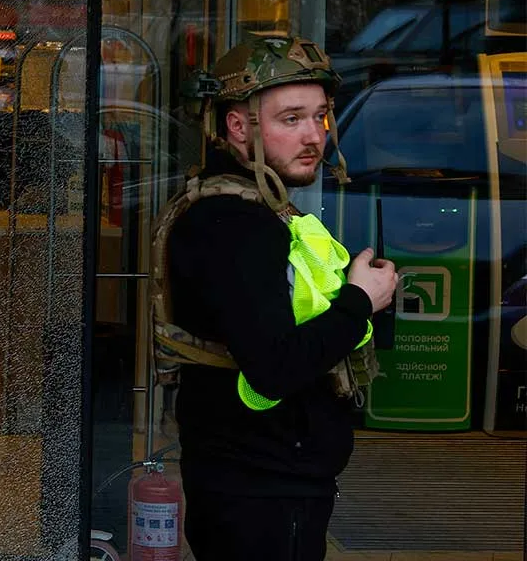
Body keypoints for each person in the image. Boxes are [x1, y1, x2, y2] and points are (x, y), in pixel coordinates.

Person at [155, 36, 399, 560]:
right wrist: (360, 301)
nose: (313, 136)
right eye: (291, 119)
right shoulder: (235, 224)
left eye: (320, 117)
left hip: (273, 480)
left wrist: (366, 300)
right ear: (237, 126)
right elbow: (274, 368)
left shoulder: (261, 210)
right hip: (259, 490)